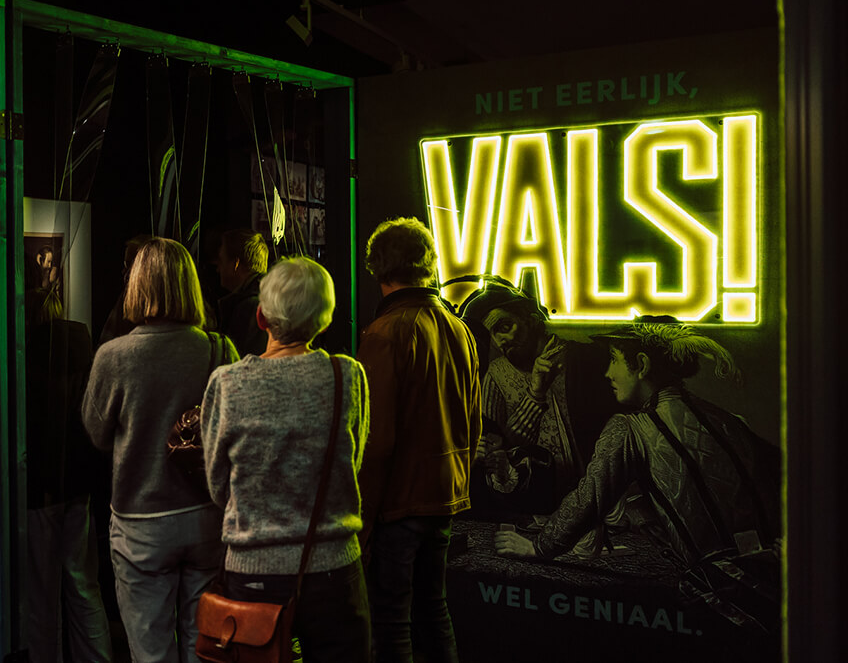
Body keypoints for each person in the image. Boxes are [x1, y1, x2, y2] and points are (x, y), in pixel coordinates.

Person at [494, 317, 780, 632]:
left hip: (725, 598)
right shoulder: (731, 420)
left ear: (641, 365)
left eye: (615, 360)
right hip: (780, 582)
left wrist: (537, 548)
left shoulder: (632, 428)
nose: (608, 373)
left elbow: (589, 498)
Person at [200, 257, 372, 662]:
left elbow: (216, 485)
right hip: (335, 569)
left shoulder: (228, 383)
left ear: (261, 317)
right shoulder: (347, 375)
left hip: (253, 569)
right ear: (325, 321)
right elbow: (354, 463)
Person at [82, 237, 237, 663]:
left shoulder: (112, 356)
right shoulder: (220, 349)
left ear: (137, 285)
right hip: (207, 517)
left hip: (141, 524)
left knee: (150, 652)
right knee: (203, 647)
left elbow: (95, 433)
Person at [356, 217, 481, 663]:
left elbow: (377, 439)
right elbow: (472, 421)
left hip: (397, 504)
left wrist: (363, 521)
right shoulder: (458, 328)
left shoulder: (384, 333)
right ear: (427, 264)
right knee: (434, 612)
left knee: (391, 625)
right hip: (445, 495)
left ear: (377, 267)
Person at [457, 278, 618, 516]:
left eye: (504, 326)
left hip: (595, 502)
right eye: (492, 334)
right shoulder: (498, 372)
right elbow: (499, 448)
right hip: (531, 503)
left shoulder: (583, 360)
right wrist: (535, 395)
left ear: (530, 319)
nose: (500, 341)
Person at [23, 287, 112, 663]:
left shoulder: (28, 353)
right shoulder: (84, 346)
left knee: (41, 594)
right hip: (81, 485)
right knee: (83, 585)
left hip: (41, 488)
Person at [213, 228, 269, 357]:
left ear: (235, 264)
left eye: (221, 261)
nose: (218, 269)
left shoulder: (248, 308)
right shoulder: (270, 298)